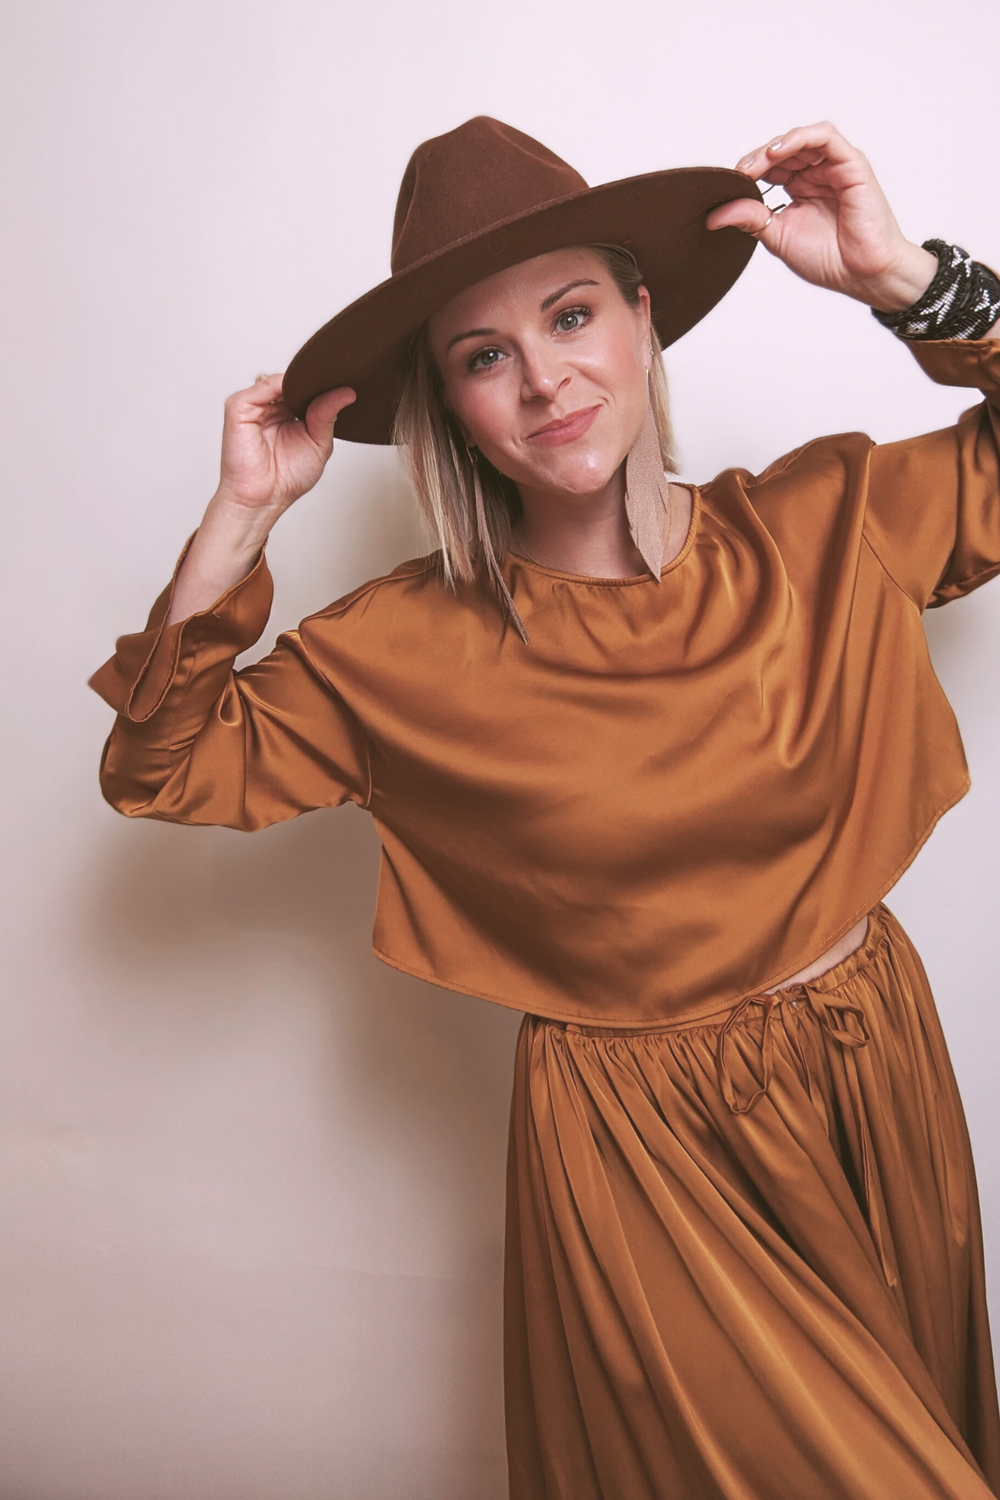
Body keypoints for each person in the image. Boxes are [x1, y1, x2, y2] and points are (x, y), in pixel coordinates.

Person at [91, 115, 1000, 1499]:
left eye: (572, 314)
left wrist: (905, 282)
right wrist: (239, 523)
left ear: (643, 317)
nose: (544, 379)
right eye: (484, 355)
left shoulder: (828, 524)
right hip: (643, 1155)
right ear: (450, 402)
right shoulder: (401, 651)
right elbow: (159, 766)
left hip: (871, 1062)